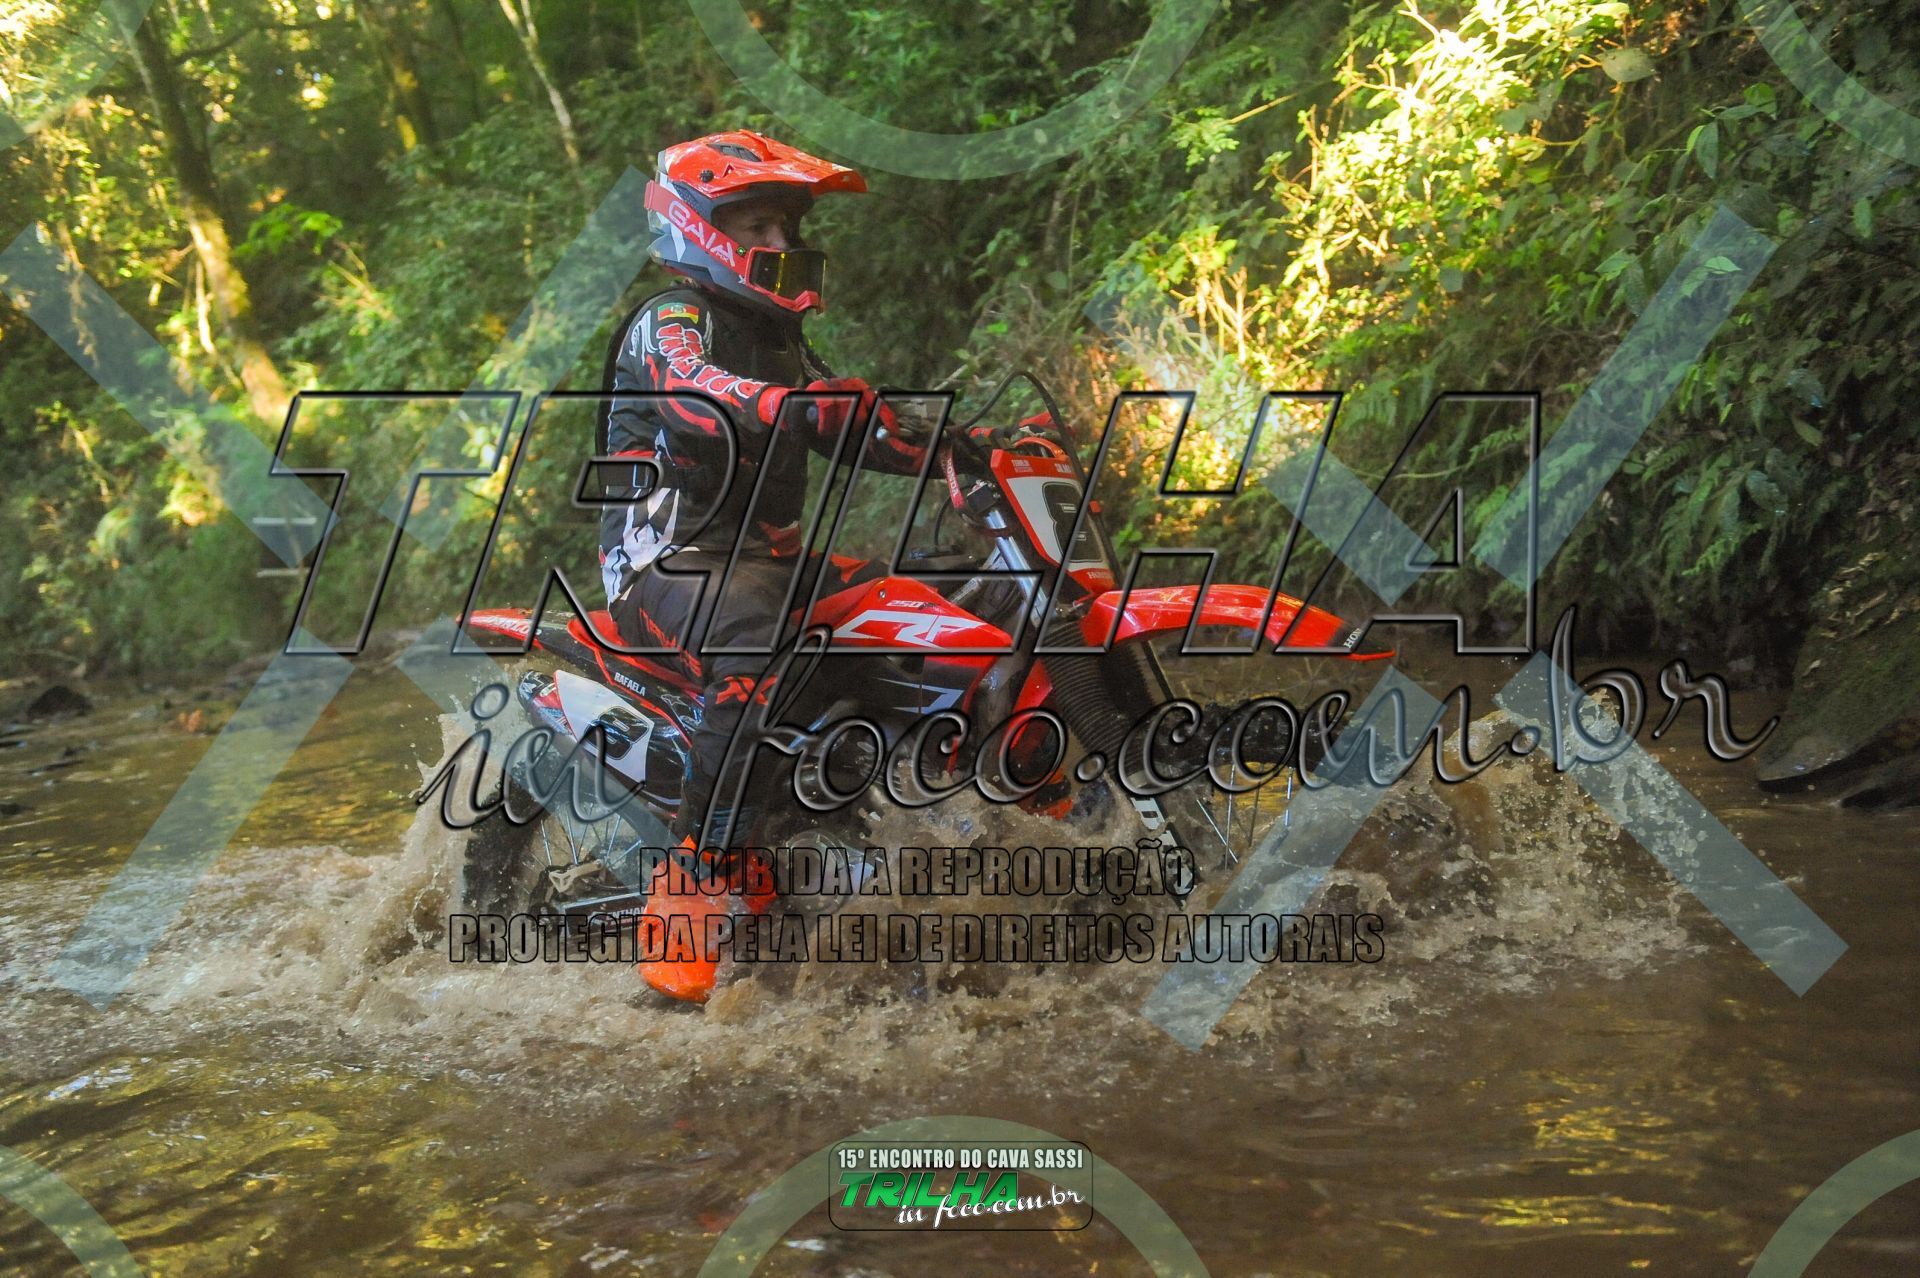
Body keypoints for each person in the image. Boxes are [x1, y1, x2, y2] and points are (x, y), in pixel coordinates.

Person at [598, 130, 926, 1002]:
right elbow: (695, 395)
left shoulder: (778, 337)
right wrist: (797, 405)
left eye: (788, 226)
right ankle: (691, 891)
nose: (783, 243)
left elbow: (856, 432)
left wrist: (969, 451)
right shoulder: (672, 320)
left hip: (769, 562)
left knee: (924, 608)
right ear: (701, 230)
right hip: (668, 563)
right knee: (753, 645)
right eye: (760, 226)